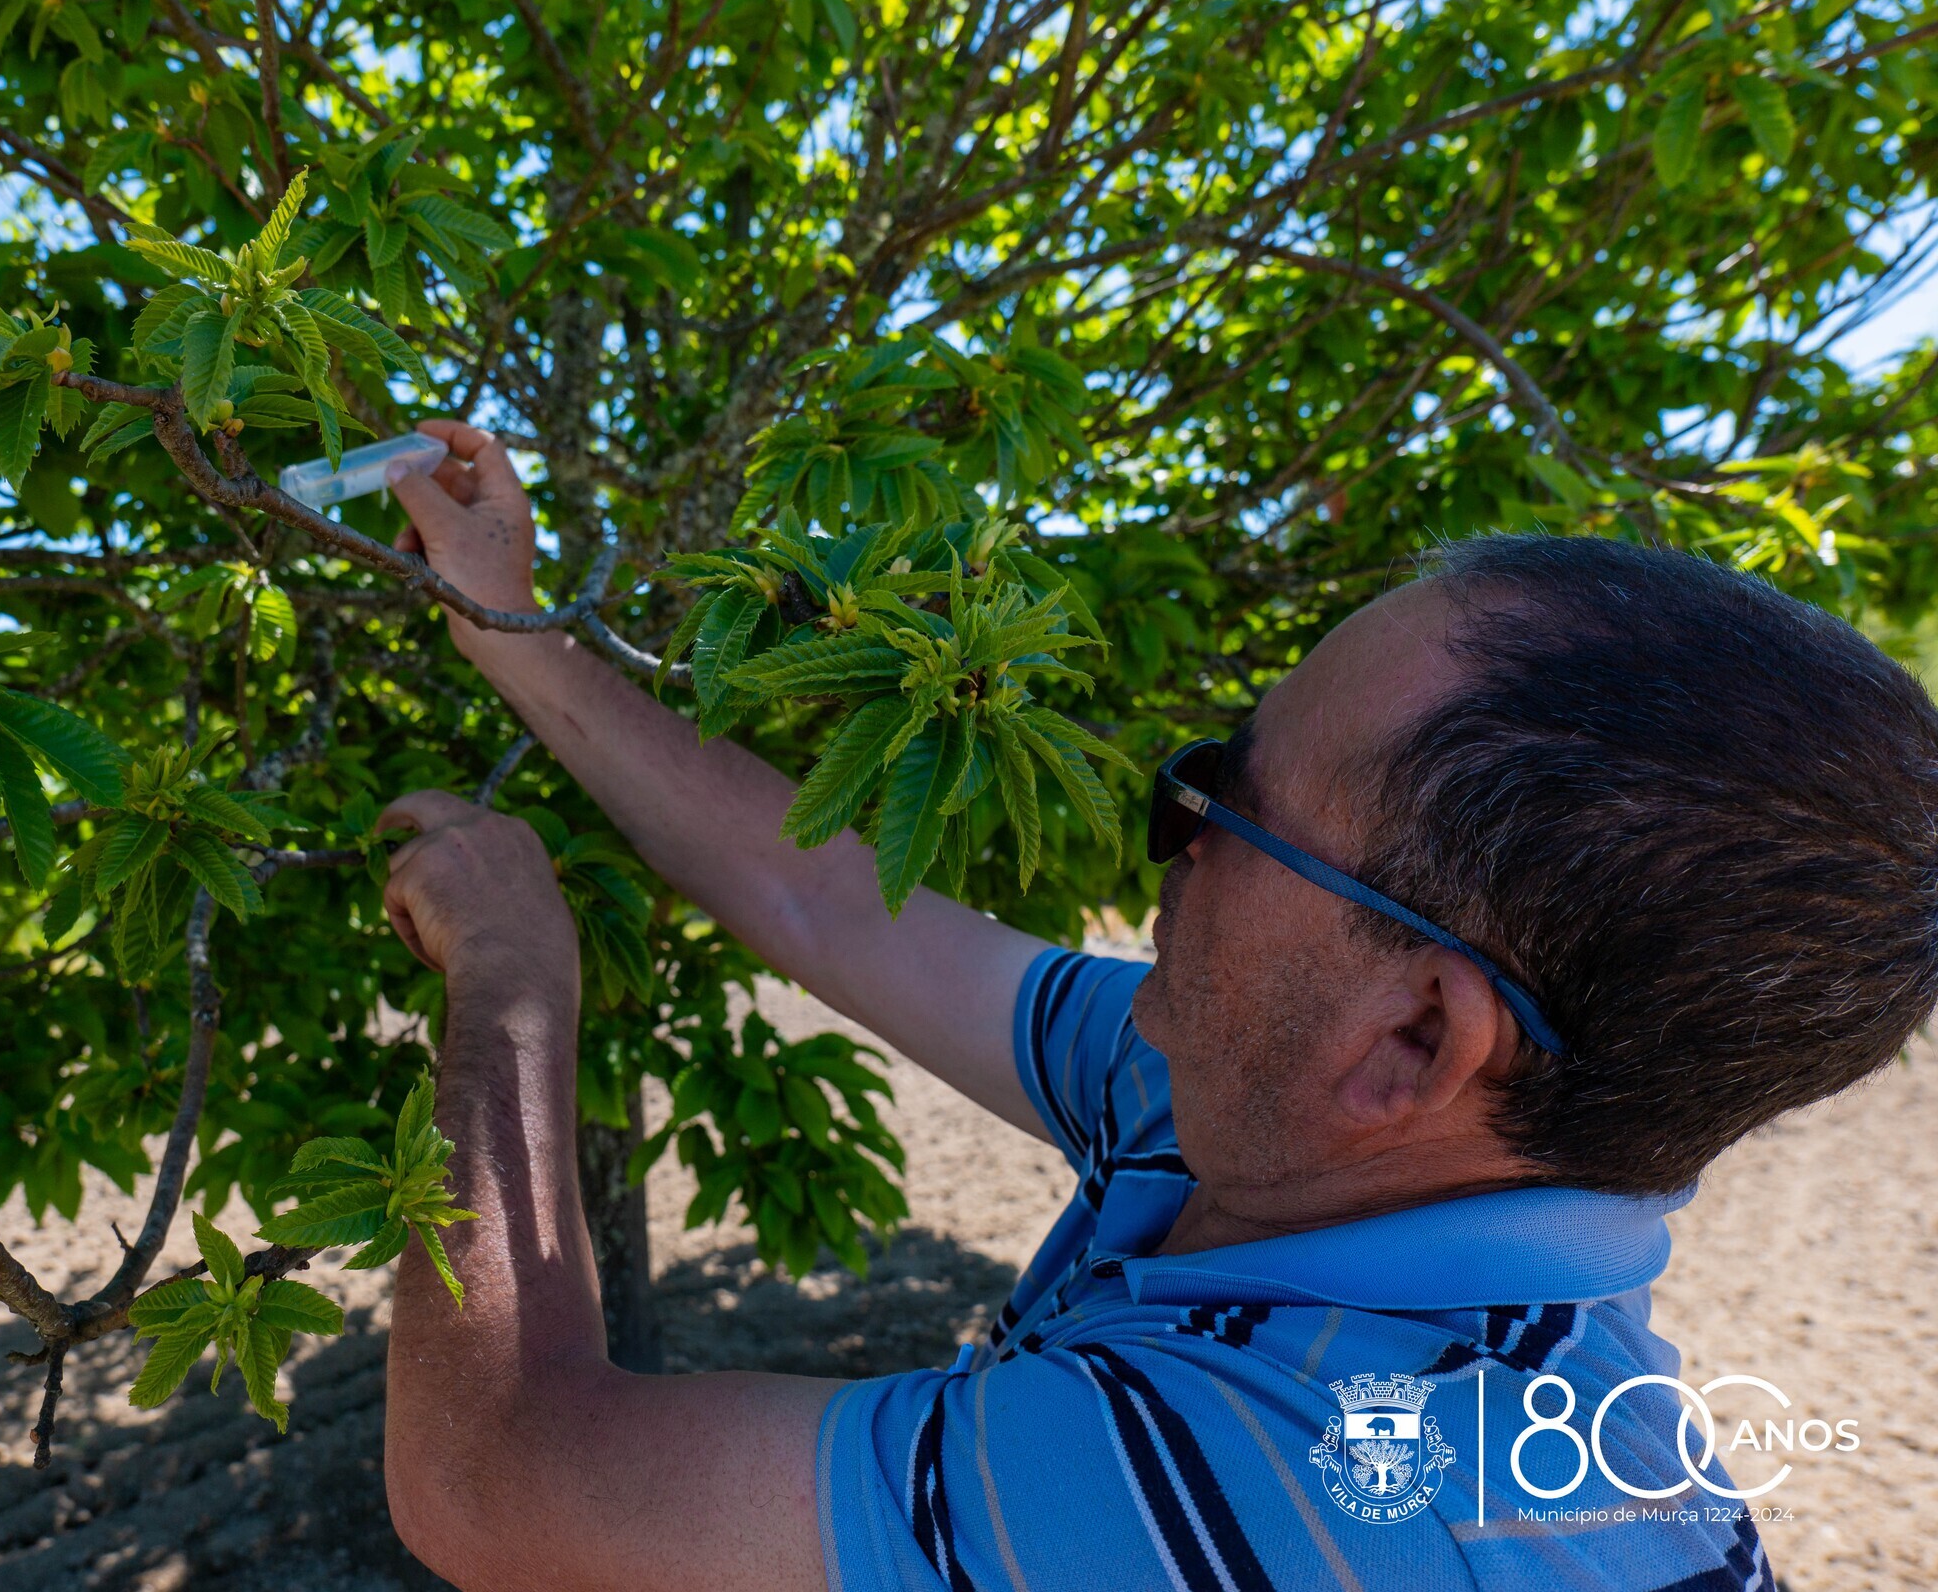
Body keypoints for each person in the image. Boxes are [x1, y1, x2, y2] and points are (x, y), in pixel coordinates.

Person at [368, 421, 1938, 1591]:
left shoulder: (1310, 1482)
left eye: (1225, 802)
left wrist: (512, 988)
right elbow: (826, 901)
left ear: (1411, 1042)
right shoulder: (1255, 1110)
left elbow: (496, 1476)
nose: (1163, 823)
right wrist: (505, 621)